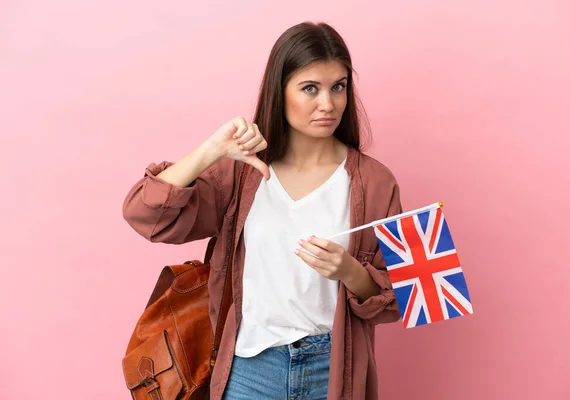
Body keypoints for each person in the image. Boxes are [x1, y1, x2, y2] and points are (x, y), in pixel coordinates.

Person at [123, 21, 403, 400]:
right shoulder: (240, 173)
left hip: (333, 369)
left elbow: (401, 297)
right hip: (249, 370)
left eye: (339, 86)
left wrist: (350, 272)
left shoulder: (376, 182)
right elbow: (146, 214)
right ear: (279, 90)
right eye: (310, 88)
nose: (329, 104)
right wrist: (212, 150)